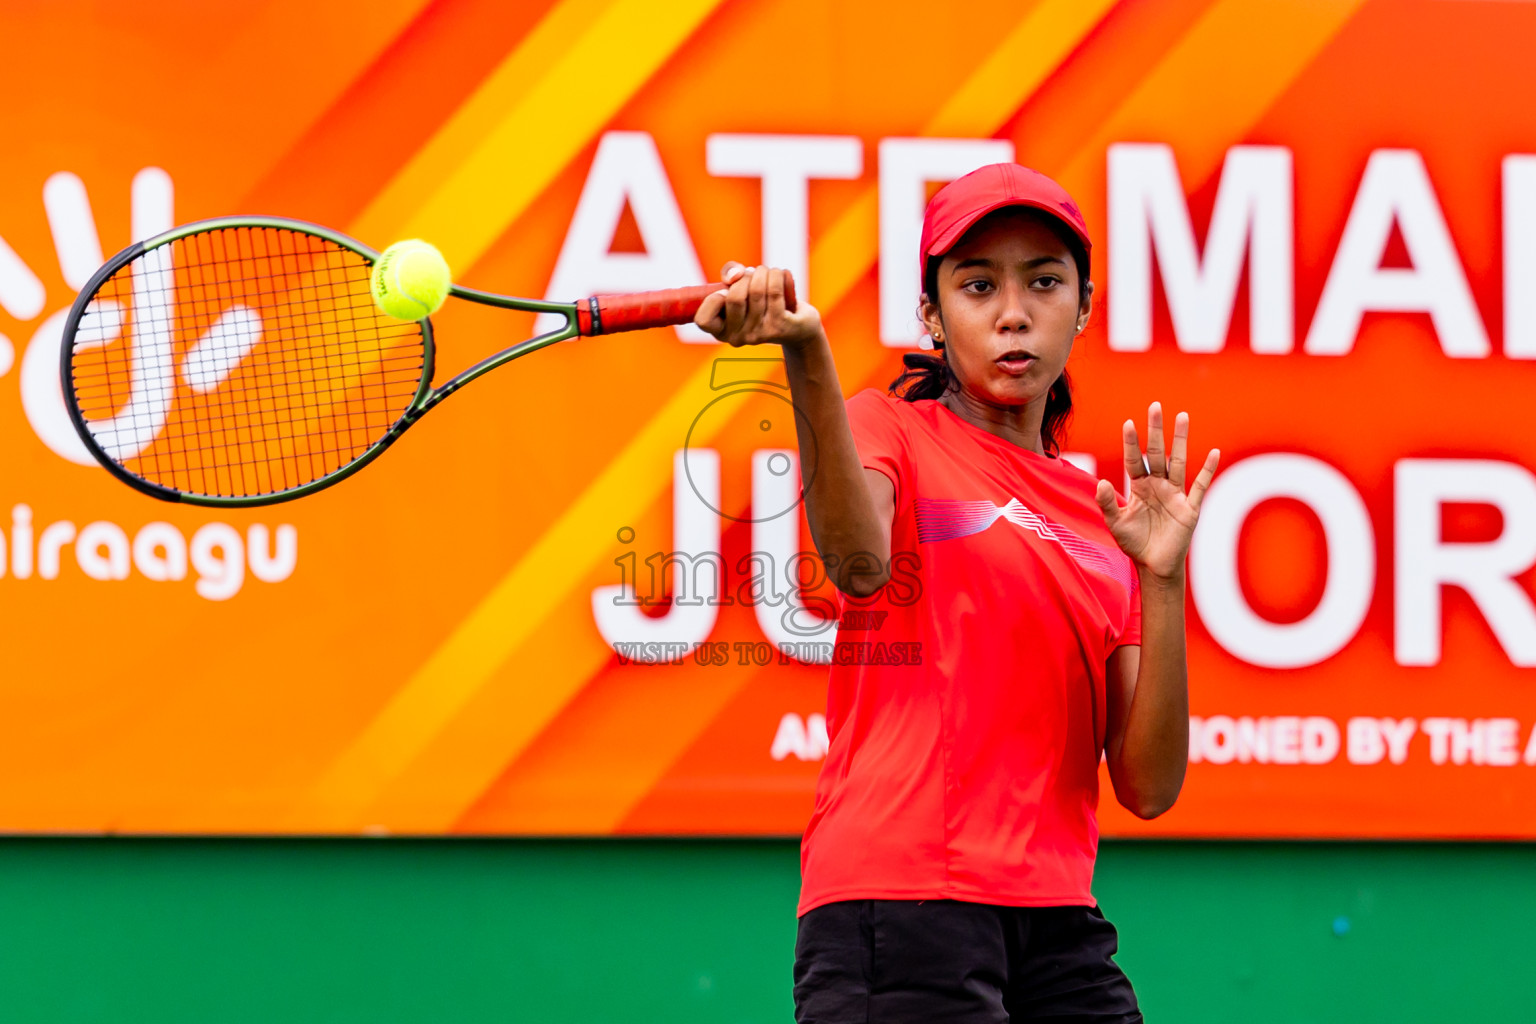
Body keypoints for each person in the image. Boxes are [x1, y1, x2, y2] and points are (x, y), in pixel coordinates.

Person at [694, 163, 1219, 1023]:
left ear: (1082, 306)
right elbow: (859, 566)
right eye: (978, 286)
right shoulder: (886, 429)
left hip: (1058, 924)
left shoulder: (1106, 525)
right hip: (898, 903)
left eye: (1044, 282)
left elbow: (1149, 786)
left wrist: (1162, 581)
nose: (1014, 312)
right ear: (933, 317)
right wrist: (805, 350)